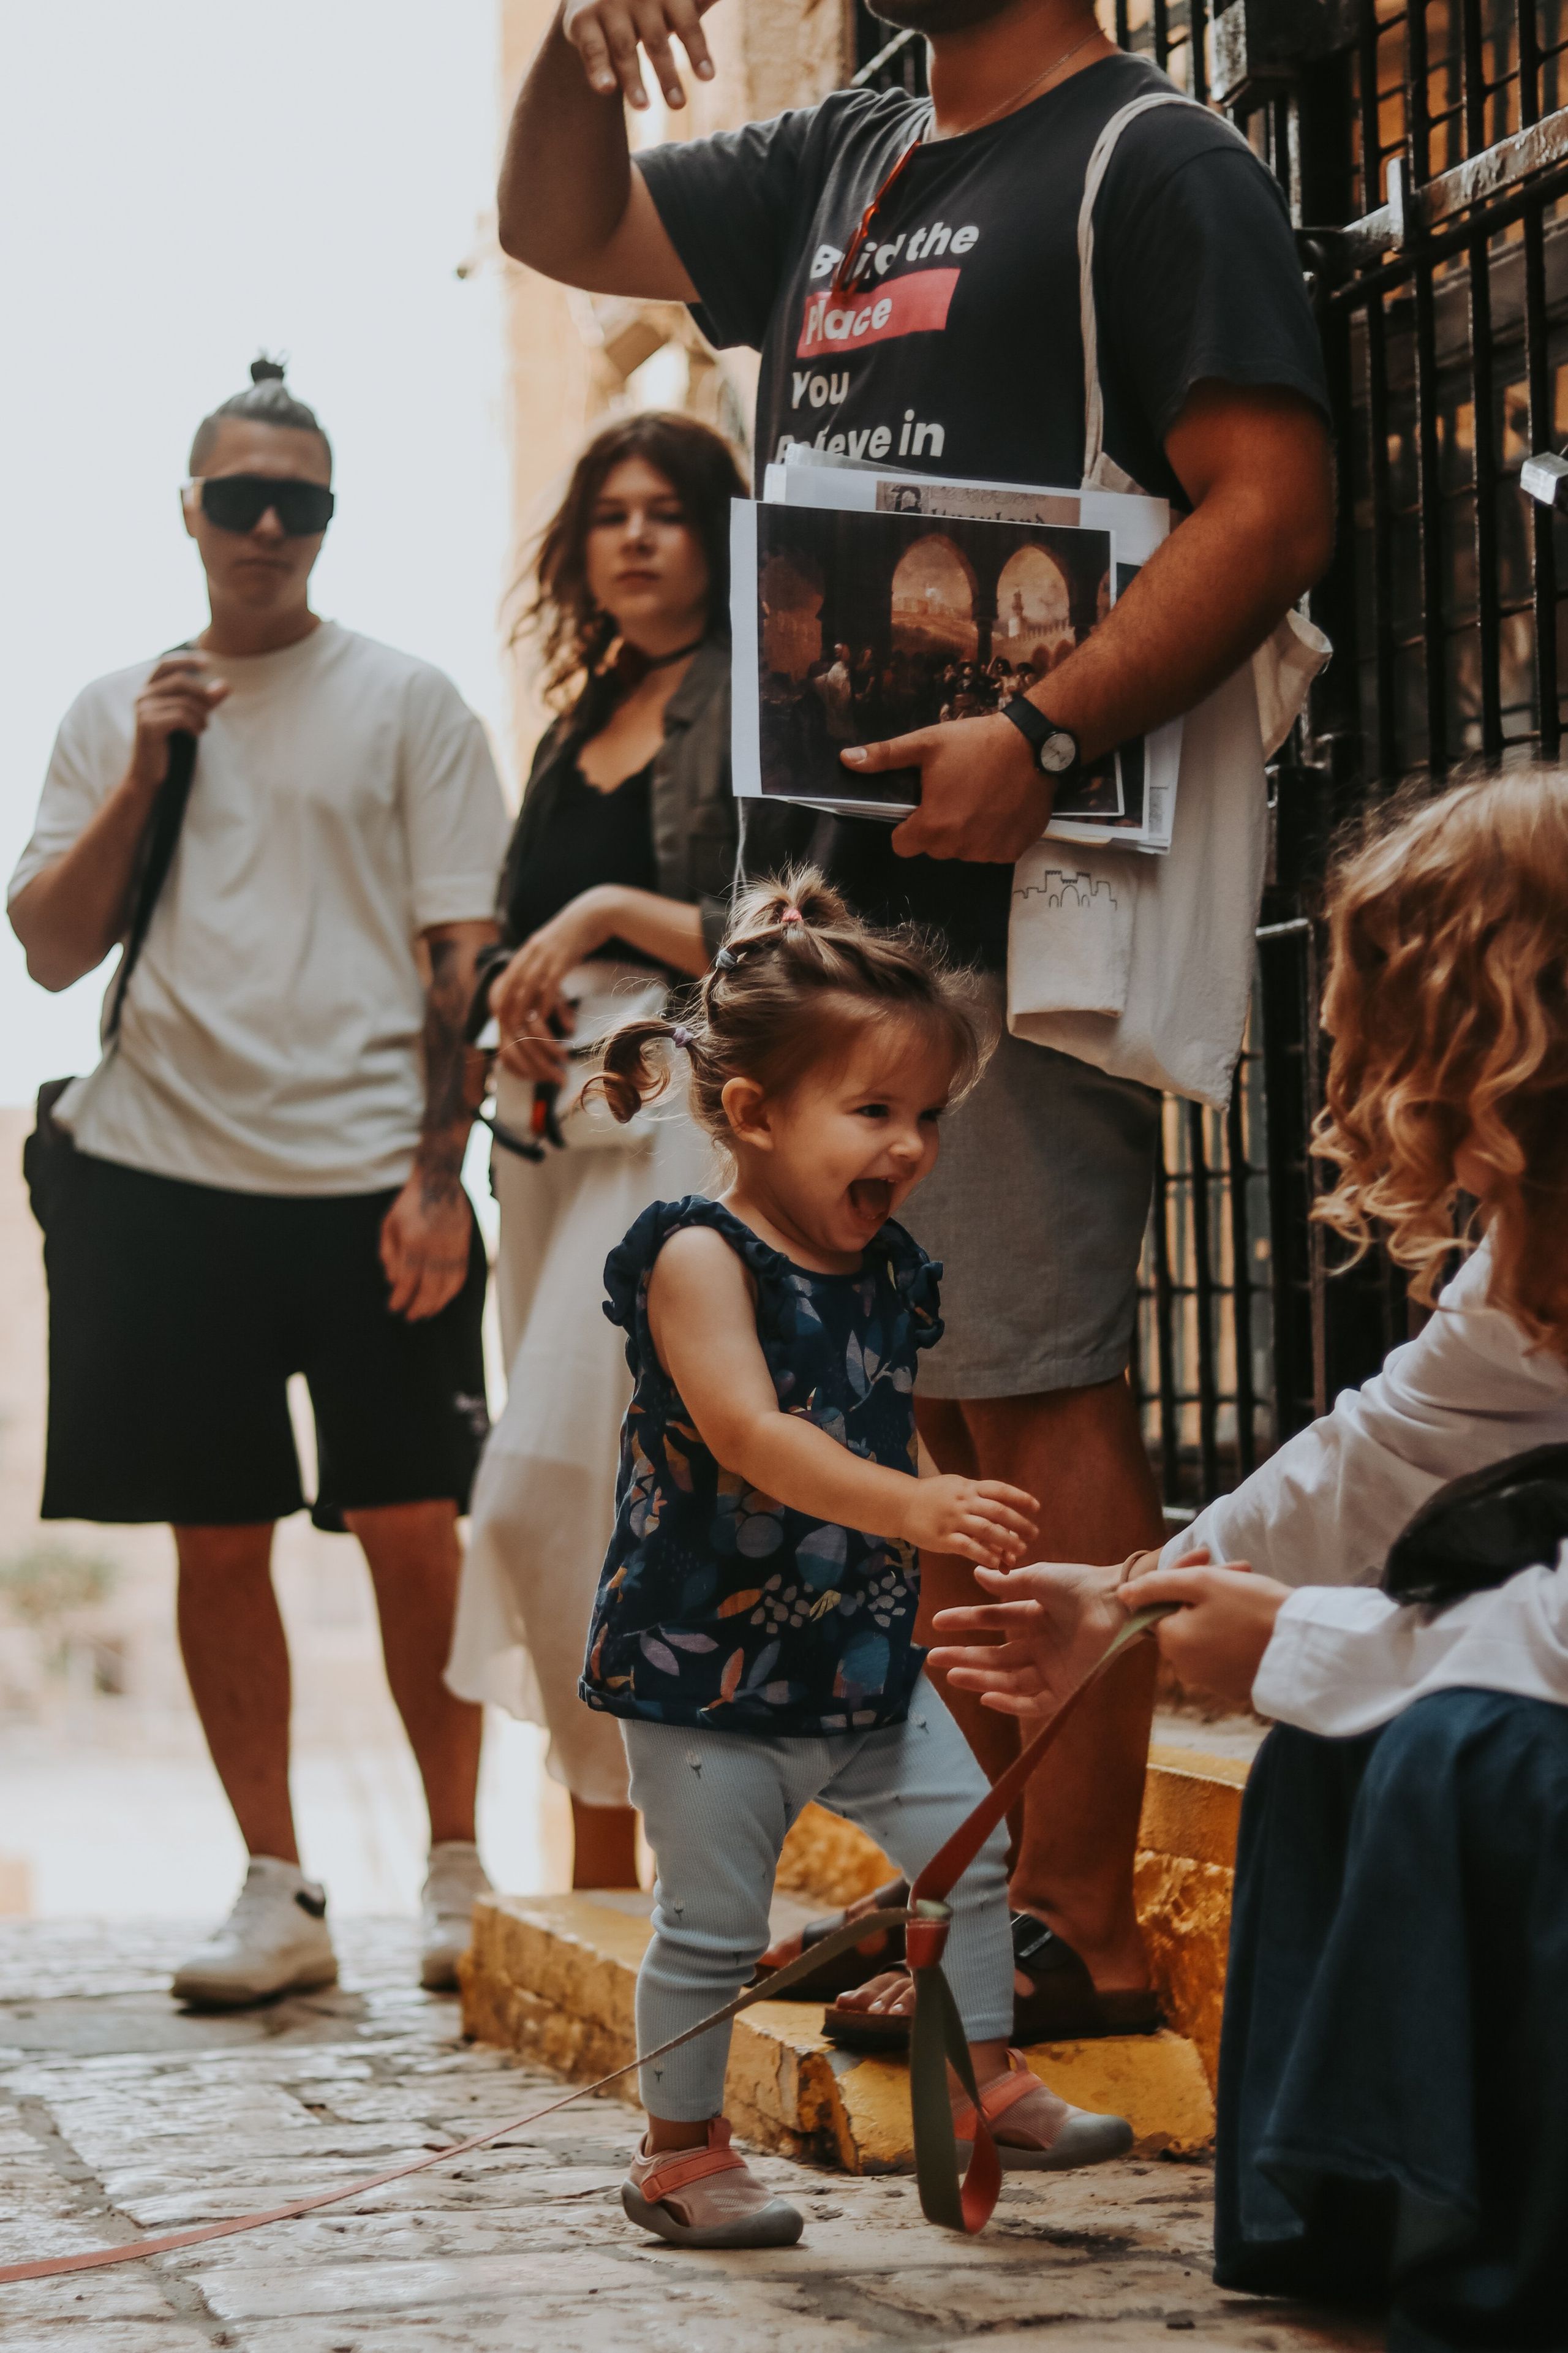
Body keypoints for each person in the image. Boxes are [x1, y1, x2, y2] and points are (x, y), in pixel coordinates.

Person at [496, 0, 1335, 2038]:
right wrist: (579, 44)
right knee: (929, 1416)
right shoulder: (850, 160)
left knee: (1036, 1398)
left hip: (1021, 892)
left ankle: (1080, 1929)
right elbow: (560, 220)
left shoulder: (1154, 166)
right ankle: (984, 1902)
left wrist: (1047, 727)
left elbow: (1274, 502)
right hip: (851, 907)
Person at [929, 772, 1568, 2346]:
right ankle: (1345, 2223)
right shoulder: (1529, 1242)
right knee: (1332, 1758)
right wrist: (1139, 1602)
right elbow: (1388, 1444)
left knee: (1465, 1751)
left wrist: (1305, 1643)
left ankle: (1511, 2279)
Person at [8, 361, 510, 2004]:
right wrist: (146, 772)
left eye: (303, 499)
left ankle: (455, 1867)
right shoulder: (115, 707)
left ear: (330, 521)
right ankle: (275, 1890)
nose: (272, 525)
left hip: (375, 1176)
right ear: (194, 514)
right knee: (212, 1539)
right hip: (162, 1178)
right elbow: (50, 947)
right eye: (243, 498)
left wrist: (444, 1178)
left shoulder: (410, 700)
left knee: (413, 1526)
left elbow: (464, 955)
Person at [581, 870, 1134, 2249]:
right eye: (873, 1112)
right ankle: (680, 2151)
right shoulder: (697, 1255)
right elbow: (756, 1435)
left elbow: (872, 1421)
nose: (909, 1146)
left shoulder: (883, 1266)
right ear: (754, 1115)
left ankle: (981, 2074)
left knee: (973, 1851)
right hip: (702, 1661)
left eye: (928, 1116)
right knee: (712, 1924)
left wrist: (942, 1501)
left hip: (857, 1651)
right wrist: (917, 1508)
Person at [445, 412, 744, 1890]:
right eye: (609, 514)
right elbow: (520, 922)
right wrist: (516, 991)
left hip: (672, 1123)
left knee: (572, 1481)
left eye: (666, 512)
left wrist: (607, 915)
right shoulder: (580, 714)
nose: (632, 536)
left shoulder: (755, 695)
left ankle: (673, 1875)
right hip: (549, 1135)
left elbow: (794, 929)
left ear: (717, 536)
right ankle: (602, 1876)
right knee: (578, 1494)